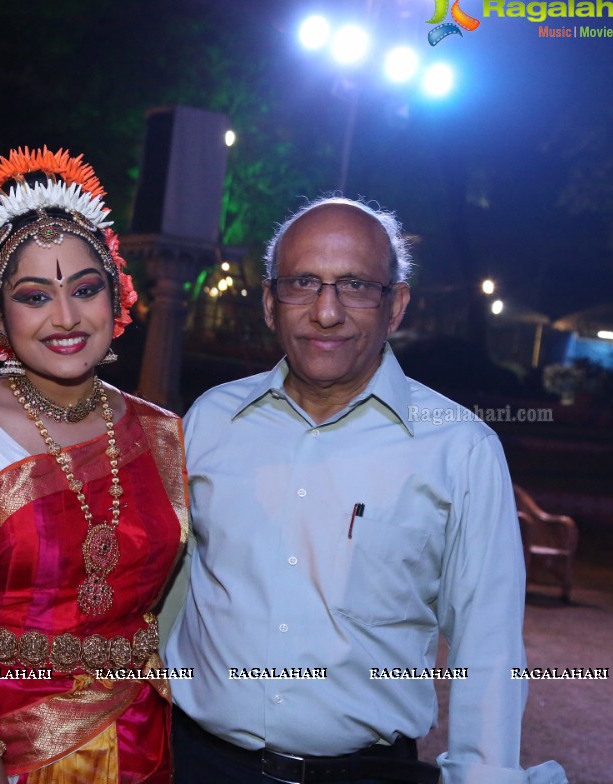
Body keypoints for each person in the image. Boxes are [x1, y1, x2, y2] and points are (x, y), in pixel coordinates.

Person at [166, 197, 565, 784]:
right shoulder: (210, 420)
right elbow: (170, 584)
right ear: (271, 302)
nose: (326, 312)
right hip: (198, 765)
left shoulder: (458, 448)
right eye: (303, 283)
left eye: (354, 285)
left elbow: (489, 646)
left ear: (395, 305)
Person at [0, 147, 186, 784]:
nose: (67, 318)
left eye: (84, 288)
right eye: (34, 296)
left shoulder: (161, 433)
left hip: (137, 744)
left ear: (117, 293)